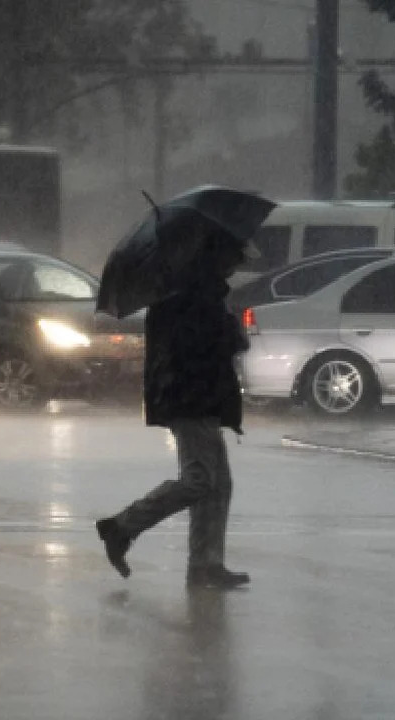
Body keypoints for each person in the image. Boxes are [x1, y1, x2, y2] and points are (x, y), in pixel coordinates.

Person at [95, 230, 252, 590]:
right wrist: (231, 331)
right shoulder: (193, 295)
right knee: (200, 480)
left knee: (218, 484)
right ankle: (122, 527)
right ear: (216, 258)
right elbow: (208, 346)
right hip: (190, 398)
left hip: (197, 397)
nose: (236, 266)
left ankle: (205, 564)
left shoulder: (192, 291)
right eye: (233, 257)